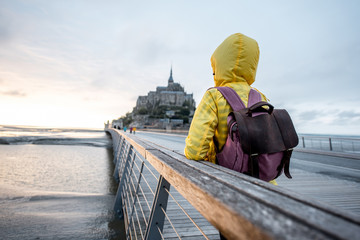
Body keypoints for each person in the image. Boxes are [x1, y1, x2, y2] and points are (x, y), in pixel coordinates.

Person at [184, 33, 270, 240]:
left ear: (218, 63)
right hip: (264, 185)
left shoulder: (214, 95)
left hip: (228, 185)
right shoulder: (261, 97)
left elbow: (195, 150)